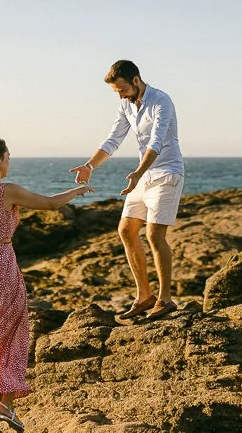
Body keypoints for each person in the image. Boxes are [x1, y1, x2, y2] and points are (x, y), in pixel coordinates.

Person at [0, 137, 91, 432]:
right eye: (8, 156)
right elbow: (50, 203)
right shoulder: (5, 191)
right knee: (12, 331)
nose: (10, 161)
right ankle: (6, 405)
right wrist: (78, 190)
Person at [70, 60, 184, 322]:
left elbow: (156, 142)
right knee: (126, 230)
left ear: (135, 80)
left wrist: (138, 173)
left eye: (122, 89)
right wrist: (90, 166)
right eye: (116, 92)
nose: (120, 95)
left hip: (166, 172)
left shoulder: (161, 101)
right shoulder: (125, 105)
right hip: (143, 174)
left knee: (155, 235)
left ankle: (165, 299)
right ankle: (144, 296)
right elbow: (113, 139)